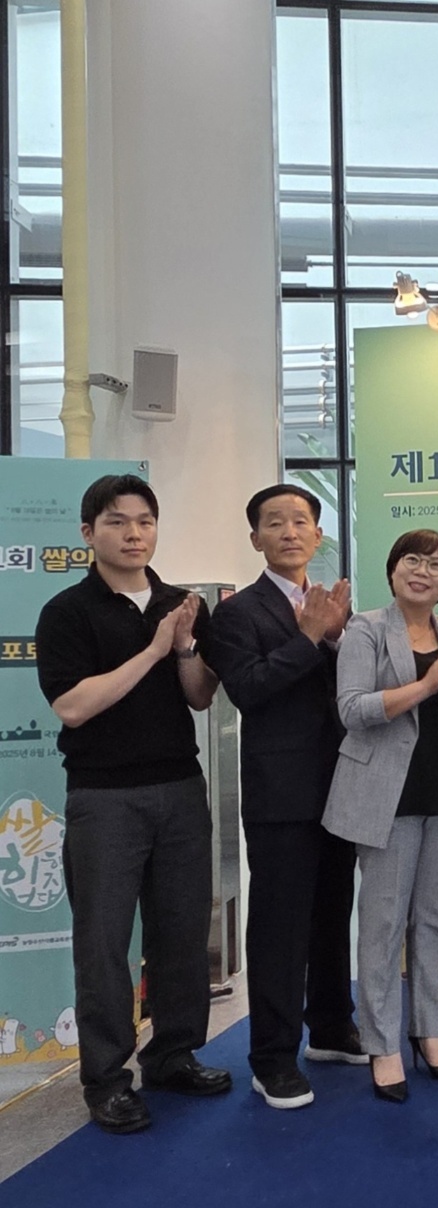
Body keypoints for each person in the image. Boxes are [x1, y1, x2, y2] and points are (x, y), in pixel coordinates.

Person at [35, 474, 228, 1135]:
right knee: (104, 944)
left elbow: (198, 696)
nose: (134, 533)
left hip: (180, 788)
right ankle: (108, 1080)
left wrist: (186, 647)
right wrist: (153, 649)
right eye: (117, 522)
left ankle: (173, 1055)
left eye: (145, 521)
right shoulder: (67, 611)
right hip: (103, 797)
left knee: (181, 935)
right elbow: (73, 706)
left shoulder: (181, 604)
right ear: (88, 533)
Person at [207, 484, 362, 1110]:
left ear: (318, 536)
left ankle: (331, 1027)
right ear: (256, 539)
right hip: (280, 792)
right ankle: (272, 1058)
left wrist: (335, 637)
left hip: (341, 783)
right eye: (275, 523)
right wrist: (311, 637)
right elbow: (248, 689)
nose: (290, 531)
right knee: (280, 927)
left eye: (301, 521)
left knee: (333, 912)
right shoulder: (235, 614)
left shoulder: (334, 605)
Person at [322, 530, 438, 1103]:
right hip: (385, 796)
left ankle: (429, 1032)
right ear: (392, 570)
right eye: (412, 560)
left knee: (433, 921)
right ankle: (382, 1043)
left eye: (437, 565)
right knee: (384, 924)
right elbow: (352, 710)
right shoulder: (365, 629)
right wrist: (428, 684)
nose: (423, 571)